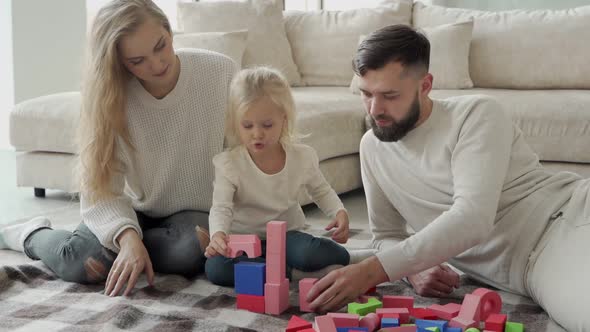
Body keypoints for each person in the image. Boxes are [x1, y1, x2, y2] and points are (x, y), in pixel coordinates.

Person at [306, 25, 590, 331]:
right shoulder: (372, 148)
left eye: (389, 95)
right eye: (365, 94)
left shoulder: (476, 115)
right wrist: (410, 270)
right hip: (526, 272)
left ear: (425, 85)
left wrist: (373, 271)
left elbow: (472, 219)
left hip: (563, 224)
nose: (375, 110)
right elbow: (387, 234)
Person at [0, 0, 236, 297]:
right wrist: (127, 237)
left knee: (191, 250)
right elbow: (100, 188)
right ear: (119, 62)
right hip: (132, 208)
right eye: (137, 61)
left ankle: (128, 251)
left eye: (160, 45)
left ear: (168, 29)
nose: (156, 63)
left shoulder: (220, 72)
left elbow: (244, 158)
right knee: (81, 265)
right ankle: (29, 234)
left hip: (195, 212)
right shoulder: (109, 97)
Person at [204, 67, 353, 286]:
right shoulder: (229, 164)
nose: (257, 133)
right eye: (247, 125)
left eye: (267, 125)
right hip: (243, 240)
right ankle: (293, 274)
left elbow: (320, 190)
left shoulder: (301, 157)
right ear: (236, 123)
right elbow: (221, 207)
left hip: (288, 237)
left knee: (317, 254)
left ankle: (282, 267)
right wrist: (218, 235)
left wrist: (339, 212)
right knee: (216, 269)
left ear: (284, 119)